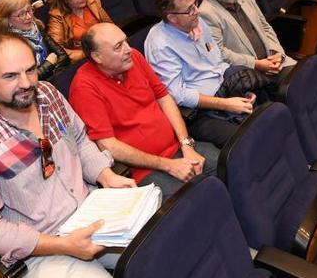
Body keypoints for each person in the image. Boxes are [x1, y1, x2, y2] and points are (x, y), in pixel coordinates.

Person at [0, 33, 135, 277]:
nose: (26, 83)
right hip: (42, 248)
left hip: (89, 208)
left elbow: (79, 139)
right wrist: (63, 245)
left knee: (159, 247)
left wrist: (105, 174)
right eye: (11, 76)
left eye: (31, 70)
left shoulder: (47, 94)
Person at [71, 23, 219, 200]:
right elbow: (108, 145)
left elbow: (164, 98)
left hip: (178, 149)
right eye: (118, 47)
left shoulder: (134, 57)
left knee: (231, 166)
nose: (128, 49)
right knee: (198, 200)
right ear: (98, 57)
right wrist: (168, 165)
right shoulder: (84, 87)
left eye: (125, 41)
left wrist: (186, 144)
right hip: (145, 171)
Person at [144, 0, 272, 148]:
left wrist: (241, 90)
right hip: (200, 112)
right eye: (190, 9)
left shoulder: (197, 22)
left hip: (225, 88)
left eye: (195, 4)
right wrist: (227, 104)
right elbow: (177, 95)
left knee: (270, 116)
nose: (197, 11)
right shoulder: (160, 44)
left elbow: (218, 63)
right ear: (172, 17)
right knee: (248, 142)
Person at [199, 0, 296, 100]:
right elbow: (219, 53)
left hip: (274, 62)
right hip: (250, 73)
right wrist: (256, 64)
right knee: (297, 90)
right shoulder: (207, 13)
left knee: (307, 75)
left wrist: (278, 53)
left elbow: (265, 26)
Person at [0, 0, 70, 80]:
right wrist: (49, 64)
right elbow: (26, 79)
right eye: (21, 14)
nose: (29, 17)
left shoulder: (36, 27)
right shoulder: (8, 47)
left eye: (29, 10)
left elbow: (63, 56)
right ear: (7, 20)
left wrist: (54, 71)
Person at [47, 0, 113, 61]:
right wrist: (86, 54)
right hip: (83, 59)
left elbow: (110, 26)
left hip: (105, 49)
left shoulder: (92, 1)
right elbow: (58, 51)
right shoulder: (57, 16)